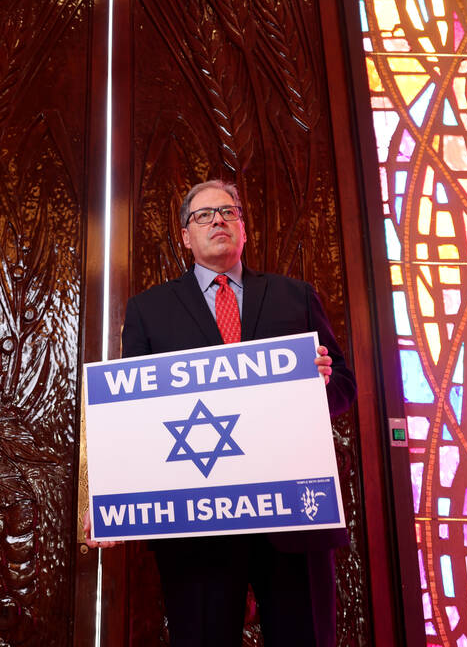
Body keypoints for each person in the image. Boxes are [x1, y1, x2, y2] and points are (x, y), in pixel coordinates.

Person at [89, 179, 356, 647]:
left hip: (293, 516)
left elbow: (344, 388)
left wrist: (317, 386)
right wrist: (108, 495)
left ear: (243, 229)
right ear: (185, 236)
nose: (218, 220)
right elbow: (132, 417)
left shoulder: (295, 296)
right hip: (196, 525)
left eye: (228, 212)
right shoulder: (149, 311)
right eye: (203, 215)